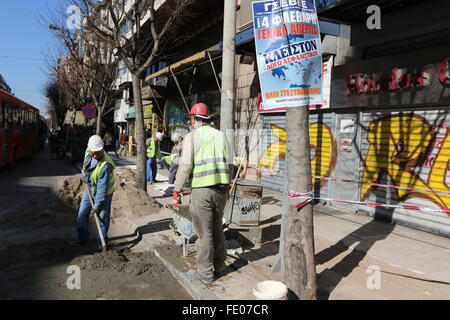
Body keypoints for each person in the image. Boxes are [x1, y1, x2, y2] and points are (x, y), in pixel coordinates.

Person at [173, 103, 231, 283]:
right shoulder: (220, 135)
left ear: (193, 119)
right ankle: (220, 267)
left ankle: (205, 273)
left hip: (202, 192)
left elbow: (185, 165)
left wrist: (177, 187)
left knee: (204, 234)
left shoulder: (192, 136)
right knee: (218, 230)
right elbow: (230, 163)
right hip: (222, 191)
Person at [72, 135, 116, 251]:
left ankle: (101, 242)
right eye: (93, 152)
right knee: (82, 214)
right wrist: (85, 174)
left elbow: (102, 187)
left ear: (102, 149)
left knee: (102, 217)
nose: (95, 155)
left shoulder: (106, 165)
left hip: (105, 193)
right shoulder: (88, 151)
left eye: (98, 152)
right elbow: (86, 165)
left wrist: (97, 205)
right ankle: (82, 239)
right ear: (89, 148)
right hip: (90, 189)